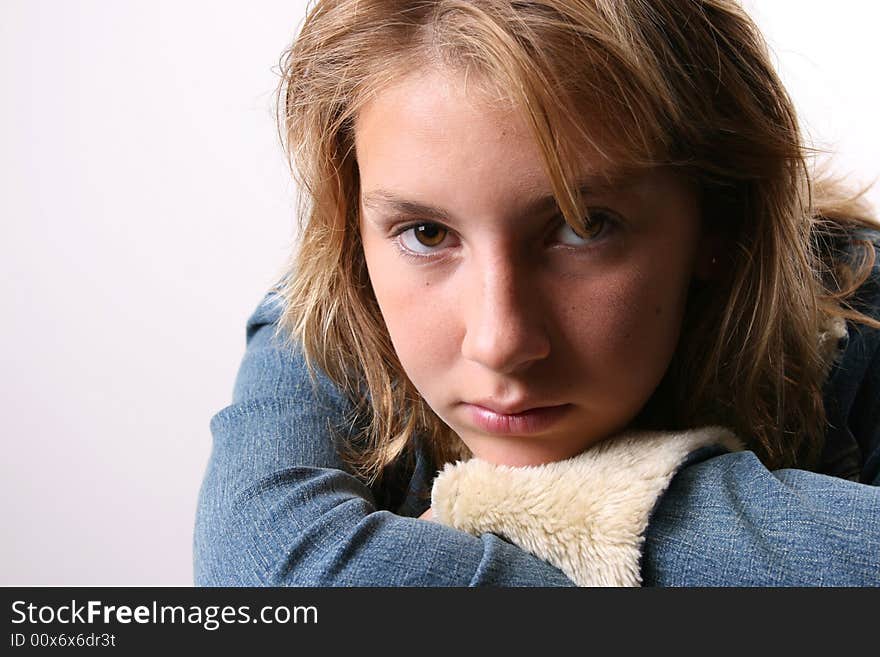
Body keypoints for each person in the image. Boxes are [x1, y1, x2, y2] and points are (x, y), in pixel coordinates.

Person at [194, 0, 880, 586]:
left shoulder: (861, 321)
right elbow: (269, 581)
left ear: (717, 220)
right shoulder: (334, 308)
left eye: (583, 228)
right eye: (427, 233)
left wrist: (546, 501)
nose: (501, 341)